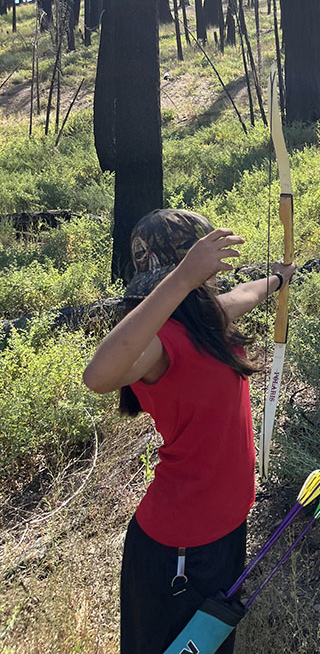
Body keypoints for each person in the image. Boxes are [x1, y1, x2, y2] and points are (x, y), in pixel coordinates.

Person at [83, 208, 296, 654]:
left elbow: (245, 293)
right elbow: (98, 376)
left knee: (213, 644)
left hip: (224, 527)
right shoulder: (159, 344)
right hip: (179, 544)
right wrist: (181, 277)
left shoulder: (207, 321)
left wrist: (278, 279)